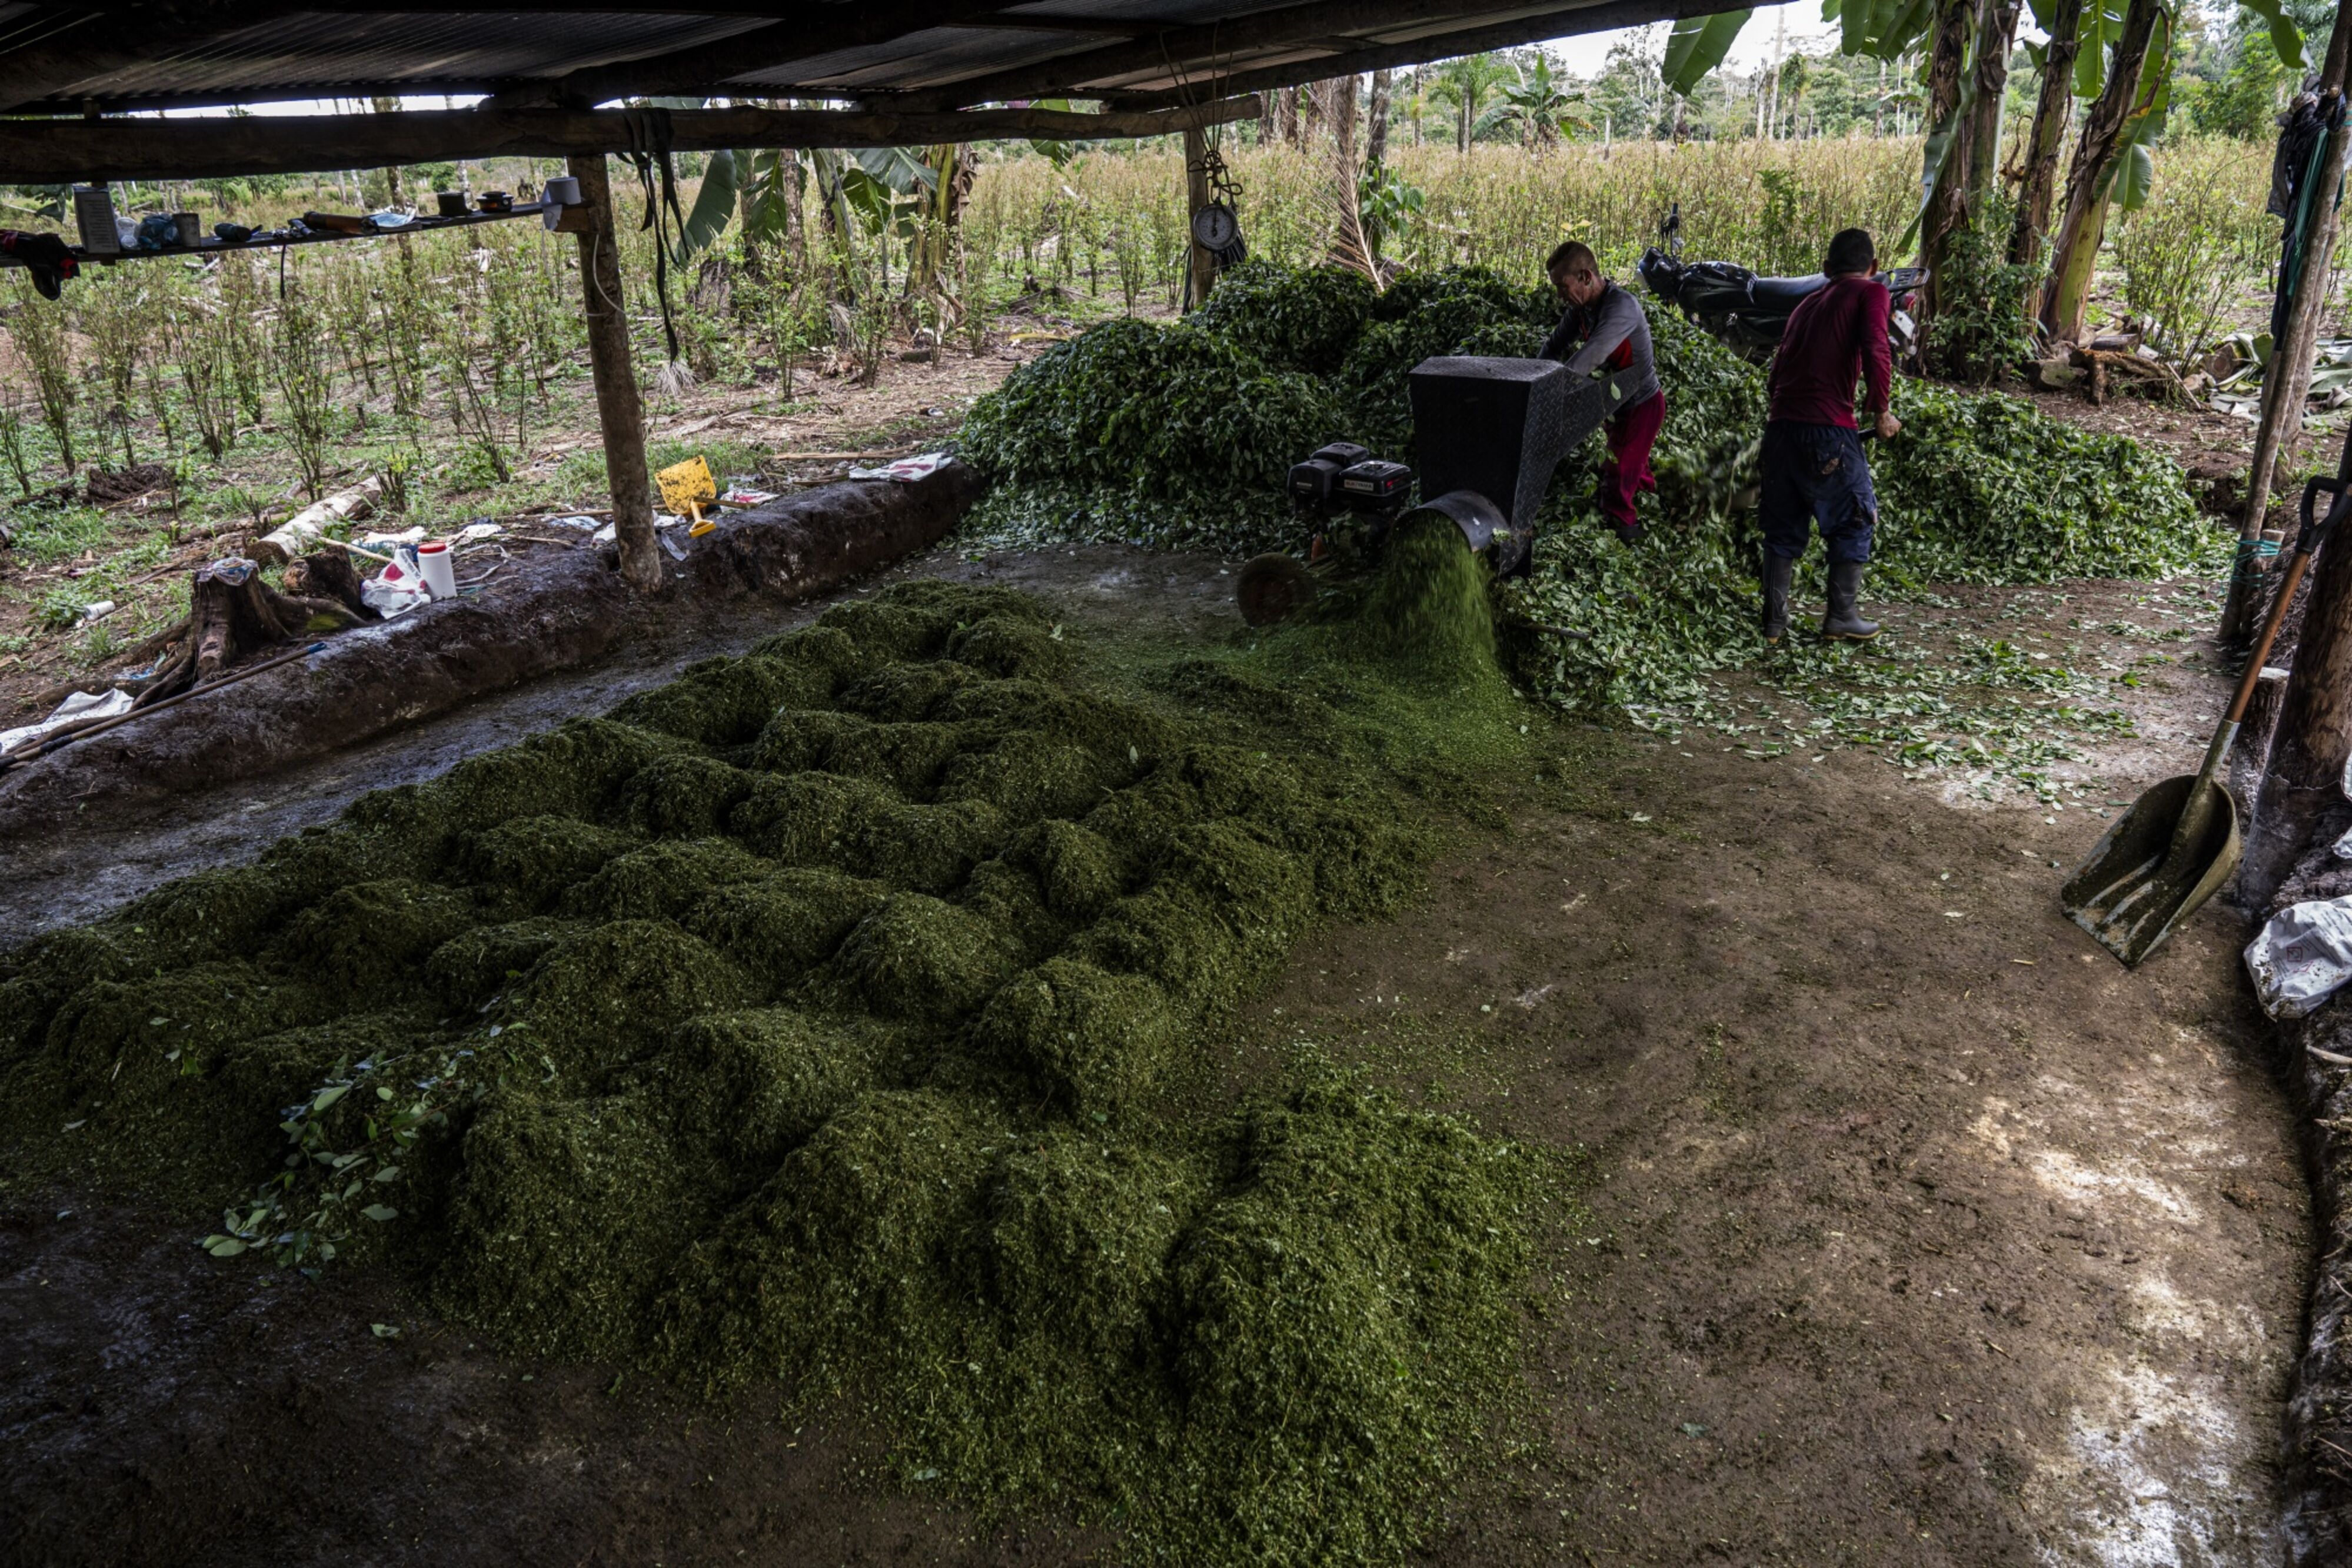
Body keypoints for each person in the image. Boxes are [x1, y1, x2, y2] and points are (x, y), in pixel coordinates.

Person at [1758, 226, 1900, 642]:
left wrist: (1783, 417)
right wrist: (1882, 411)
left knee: (1782, 527)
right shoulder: (1871, 292)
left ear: (1825, 269)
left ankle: (1774, 624)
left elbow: (1776, 370)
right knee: (1855, 516)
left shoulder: (1804, 305)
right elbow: (1877, 346)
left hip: (1780, 429)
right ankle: (1841, 616)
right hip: (1827, 431)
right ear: (1873, 268)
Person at [1542, 240, 1664, 545]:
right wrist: (1532, 375)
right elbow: (1555, 346)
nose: (1559, 296)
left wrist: (1551, 392)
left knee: (1617, 474)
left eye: (1561, 286)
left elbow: (1591, 356)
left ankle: (1627, 537)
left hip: (1642, 405)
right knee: (1629, 463)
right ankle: (1659, 502)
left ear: (1586, 277)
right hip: (1615, 403)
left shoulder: (1621, 307)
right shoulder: (1582, 310)